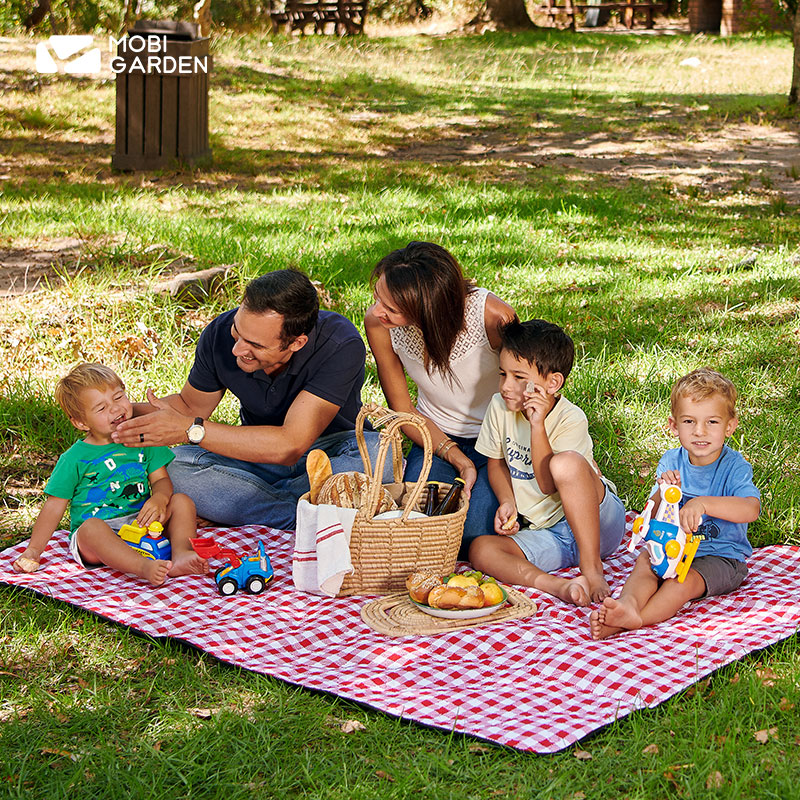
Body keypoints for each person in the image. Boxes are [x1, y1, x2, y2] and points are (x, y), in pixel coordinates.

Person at [112, 269, 387, 530]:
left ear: (296, 343)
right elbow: (191, 407)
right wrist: (119, 414)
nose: (237, 349)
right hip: (255, 454)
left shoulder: (339, 342)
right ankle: (305, 512)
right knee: (172, 465)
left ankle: (249, 506)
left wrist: (190, 429)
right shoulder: (219, 334)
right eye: (237, 332)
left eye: (255, 345)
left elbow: (291, 445)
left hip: (332, 451)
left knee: (379, 456)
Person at [365, 242, 516, 554]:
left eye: (391, 308)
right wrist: (456, 457)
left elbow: (531, 389)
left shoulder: (493, 318)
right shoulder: (379, 323)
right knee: (421, 525)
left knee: (469, 535)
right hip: (433, 438)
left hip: (500, 443)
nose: (379, 312)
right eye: (378, 298)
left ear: (430, 307)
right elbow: (403, 409)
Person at [590, 368, 760, 640]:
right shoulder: (671, 461)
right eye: (689, 421)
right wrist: (662, 491)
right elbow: (655, 513)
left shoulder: (734, 466)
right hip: (672, 548)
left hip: (720, 557)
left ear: (730, 426)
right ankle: (627, 604)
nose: (700, 431)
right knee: (645, 562)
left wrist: (703, 504)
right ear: (674, 425)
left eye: (712, 422)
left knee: (683, 581)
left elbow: (750, 509)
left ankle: (637, 620)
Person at [468, 319, 625, 606]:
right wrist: (507, 502)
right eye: (503, 374)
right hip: (551, 535)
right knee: (480, 549)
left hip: (599, 524)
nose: (505, 386)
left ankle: (591, 568)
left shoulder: (570, 418)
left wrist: (537, 426)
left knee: (565, 464)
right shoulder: (499, 407)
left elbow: (547, 484)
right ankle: (559, 587)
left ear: (552, 383)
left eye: (518, 377)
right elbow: (496, 463)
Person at [12, 363, 204, 587]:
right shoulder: (74, 459)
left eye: (118, 397)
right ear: (81, 422)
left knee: (181, 502)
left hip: (140, 524)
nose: (115, 409)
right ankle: (142, 567)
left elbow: (160, 480)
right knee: (91, 529)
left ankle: (181, 553)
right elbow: (54, 506)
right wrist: (34, 550)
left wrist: (160, 499)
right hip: (98, 536)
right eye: (101, 408)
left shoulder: (142, 439)